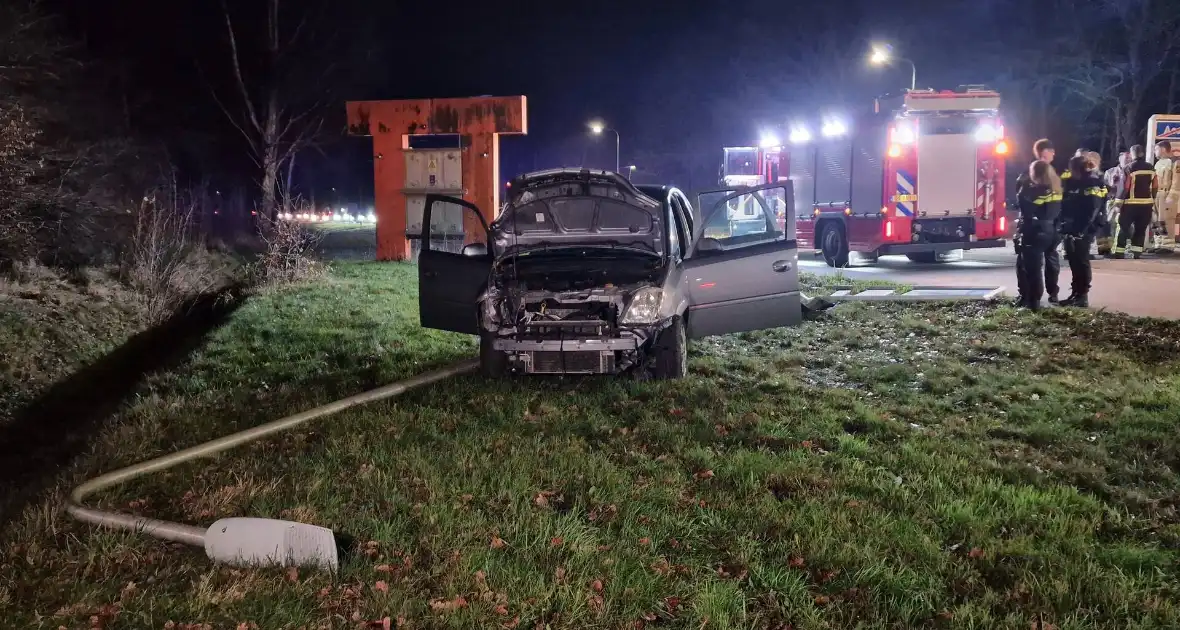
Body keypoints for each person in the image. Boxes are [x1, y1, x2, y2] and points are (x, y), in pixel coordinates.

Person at [1014, 139, 1059, 305]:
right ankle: (1030, 295)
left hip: (1039, 228)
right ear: (1042, 152)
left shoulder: (1037, 178)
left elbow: (1025, 205)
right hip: (1048, 227)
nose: (1053, 155)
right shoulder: (1037, 175)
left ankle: (1036, 298)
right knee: (1034, 264)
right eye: (1051, 152)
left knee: (1034, 265)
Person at [1059, 155, 1105, 307]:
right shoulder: (1071, 182)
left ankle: (1082, 295)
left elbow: (1092, 209)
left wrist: (1081, 231)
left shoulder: (1092, 182)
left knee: (1081, 259)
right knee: (1073, 260)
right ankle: (1076, 293)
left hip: (1085, 228)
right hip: (1071, 226)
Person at [1114, 145, 1157, 259]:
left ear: (1132, 154)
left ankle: (1119, 252)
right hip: (1146, 204)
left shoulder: (1128, 168)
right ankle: (1137, 253)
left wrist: (1118, 202)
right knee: (1141, 229)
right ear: (1142, 153)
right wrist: (1153, 199)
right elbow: (1155, 186)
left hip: (1130, 204)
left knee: (1124, 227)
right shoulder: (1151, 168)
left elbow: (1124, 187)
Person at [1101, 151, 1131, 255]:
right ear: (1120, 159)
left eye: (1130, 158)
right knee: (1111, 224)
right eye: (1126, 158)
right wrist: (1112, 186)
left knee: (1126, 225)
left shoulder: (1132, 172)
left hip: (1127, 202)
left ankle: (1124, 246)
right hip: (1113, 202)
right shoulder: (1110, 172)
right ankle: (1111, 247)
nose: (1128, 160)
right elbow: (1104, 187)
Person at [1155, 141, 1176, 251]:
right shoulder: (1158, 163)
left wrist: (1171, 196)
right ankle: (1158, 243)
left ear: (1163, 149)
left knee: (1167, 219)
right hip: (1156, 194)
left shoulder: (1174, 162)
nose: (1155, 152)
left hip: (1166, 194)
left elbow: (1177, 181)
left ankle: (1167, 246)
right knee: (1156, 220)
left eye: (1156, 149)